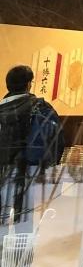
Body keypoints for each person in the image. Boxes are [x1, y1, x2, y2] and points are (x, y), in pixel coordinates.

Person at [0, 66, 64, 226]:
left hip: (2, 170)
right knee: (24, 217)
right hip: (30, 169)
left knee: (2, 215)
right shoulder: (40, 107)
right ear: (29, 84)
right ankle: (22, 239)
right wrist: (51, 165)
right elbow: (57, 137)